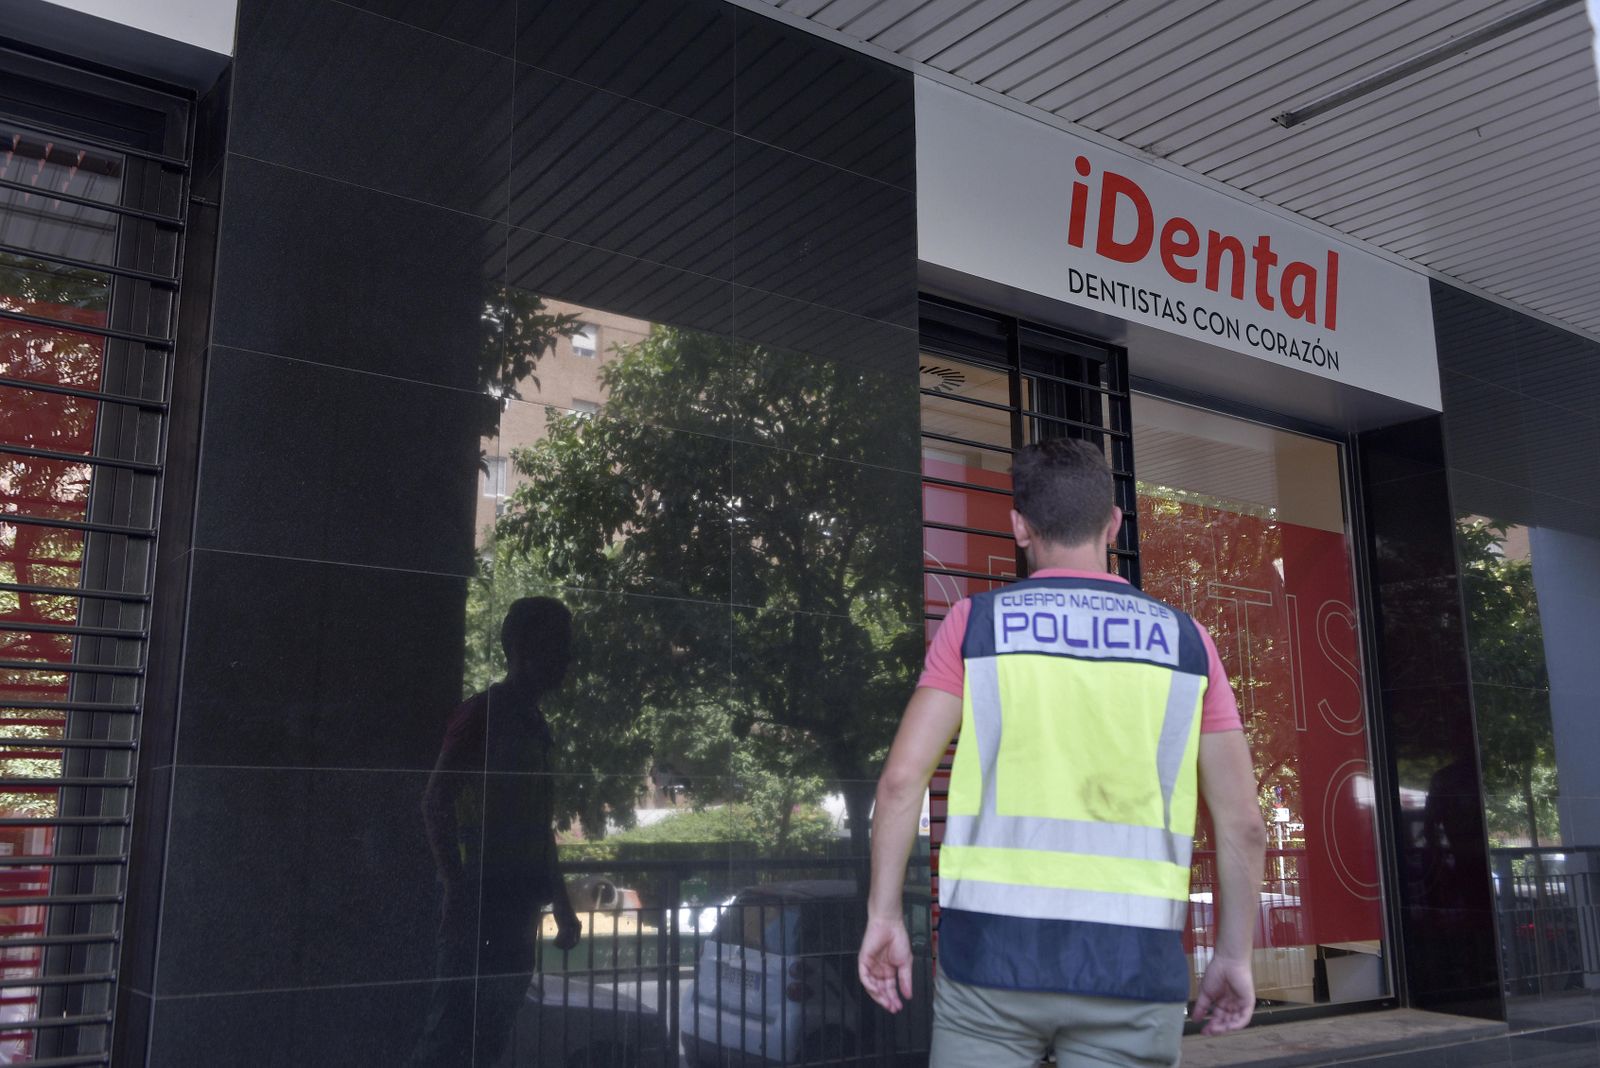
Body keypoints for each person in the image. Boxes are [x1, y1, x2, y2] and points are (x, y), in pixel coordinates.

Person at [858, 438, 1268, 1068]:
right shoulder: (1188, 644)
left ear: (1019, 526)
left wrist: (884, 914)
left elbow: (900, 783)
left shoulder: (976, 626)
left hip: (990, 960)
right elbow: (1243, 824)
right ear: (1113, 523)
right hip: (1133, 971)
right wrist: (1233, 955)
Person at [407, 596, 584, 1066]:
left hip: (516, 907)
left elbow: (536, 825)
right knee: (448, 1038)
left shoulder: (535, 726)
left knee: (487, 1038)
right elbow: (435, 800)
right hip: (482, 904)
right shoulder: (483, 714)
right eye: (558, 646)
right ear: (523, 648)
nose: (567, 658)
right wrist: (456, 887)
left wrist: (561, 905)